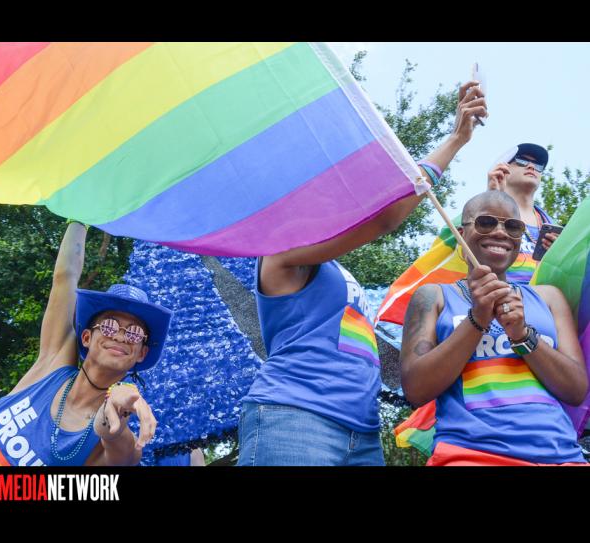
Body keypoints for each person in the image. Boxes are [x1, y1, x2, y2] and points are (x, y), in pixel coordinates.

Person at [237, 79, 488, 466]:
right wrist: (455, 139)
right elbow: (386, 218)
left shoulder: (334, 269)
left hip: (363, 432)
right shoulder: (279, 254)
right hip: (295, 416)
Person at [0, 222, 171, 466]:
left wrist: (115, 413)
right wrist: (81, 217)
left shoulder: (113, 443)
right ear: (86, 337)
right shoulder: (54, 363)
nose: (120, 336)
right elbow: (65, 277)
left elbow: (121, 451)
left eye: (133, 333)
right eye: (109, 326)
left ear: (141, 353)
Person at [400, 190, 588, 465]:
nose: (501, 232)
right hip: (470, 455)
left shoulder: (548, 297)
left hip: (562, 455)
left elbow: (576, 390)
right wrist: (478, 318)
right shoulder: (434, 296)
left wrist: (522, 335)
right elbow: (416, 389)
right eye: (486, 222)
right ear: (462, 234)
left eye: (513, 226)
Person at [487, 143, 559, 280]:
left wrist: (559, 257)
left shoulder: (552, 226)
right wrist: (491, 196)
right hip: (495, 290)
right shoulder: (480, 210)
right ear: (503, 168)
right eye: (522, 160)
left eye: (538, 165)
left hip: (542, 292)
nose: (531, 167)